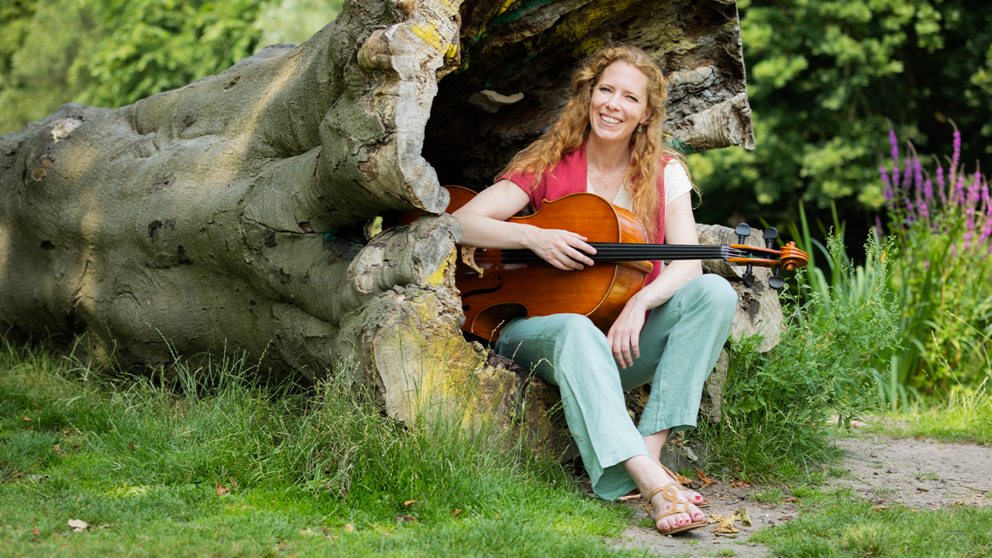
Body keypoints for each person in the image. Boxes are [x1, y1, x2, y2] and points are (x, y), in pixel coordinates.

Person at [452, 45, 737, 535]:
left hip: (620, 345)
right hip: (538, 332)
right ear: (588, 95)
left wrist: (641, 303)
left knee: (716, 294)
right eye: (605, 89)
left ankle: (646, 457)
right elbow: (458, 222)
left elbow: (688, 262)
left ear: (646, 114)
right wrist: (532, 235)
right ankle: (653, 482)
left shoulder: (664, 171)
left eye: (629, 97)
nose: (613, 104)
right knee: (575, 330)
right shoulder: (549, 163)